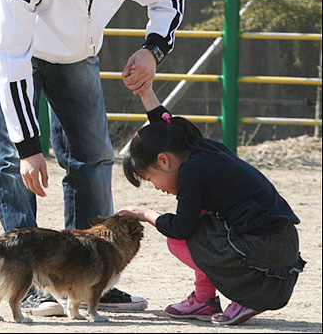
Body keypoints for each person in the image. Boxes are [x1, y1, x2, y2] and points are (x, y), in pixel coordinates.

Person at [0, 0, 185, 316]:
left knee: (92, 156)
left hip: (77, 55)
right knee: (10, 163)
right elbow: (12, 57)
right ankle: (32, 280)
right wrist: (28, 148)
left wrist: (152, 50)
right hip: (14, 46)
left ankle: (92, 279)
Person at [117, 82, 306, 325]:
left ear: (164, 161)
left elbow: (180, 229)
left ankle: (247, 296)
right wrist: (146, 93)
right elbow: (164, 126)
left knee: (178, 239)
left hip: (265, 255)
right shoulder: (200, 149)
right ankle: (204, 300)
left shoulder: (190, 174)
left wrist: (145, 213)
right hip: (282, 245)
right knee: (202, 217)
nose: (157, 187)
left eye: (150, 179)